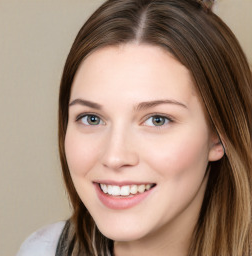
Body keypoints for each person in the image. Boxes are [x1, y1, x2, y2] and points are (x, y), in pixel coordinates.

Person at [16, 0, 252, 255]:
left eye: (157, 120)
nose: (114, 157)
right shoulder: (41, 250)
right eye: (92, 119)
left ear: (218, 136)